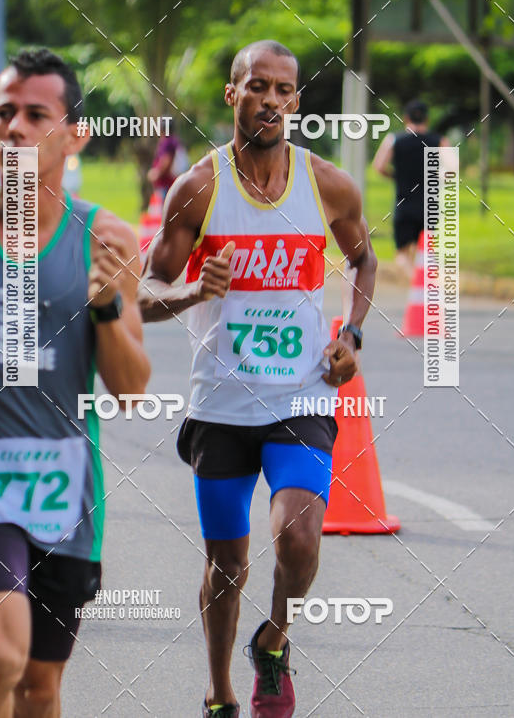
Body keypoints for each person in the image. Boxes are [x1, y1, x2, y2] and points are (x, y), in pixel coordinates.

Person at [139, 40, 377, 718]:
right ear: (233, 94)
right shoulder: (198, 188)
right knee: (226, 565)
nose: (270, 99)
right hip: (220, 404)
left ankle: (272, 642)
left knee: (298, 538)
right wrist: (191, 292)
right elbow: (146, 290)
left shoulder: (327, 184)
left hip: (301, 394)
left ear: (296, 100)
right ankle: (219, 691)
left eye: (283, 89)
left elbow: (364, 260)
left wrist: (351, 334)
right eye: (257, 86)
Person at [0, 48, 151, 717]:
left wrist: (107, 308)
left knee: (39, 687)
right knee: (2, 654)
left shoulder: (107, 239)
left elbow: (131, 389)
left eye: (37, 114)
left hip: (65, 486)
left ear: (75, 135)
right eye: (5, 113)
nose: (17, 127)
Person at [373, 99, 449, 281]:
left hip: (404, 205)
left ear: (406, 118)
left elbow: (379, 166)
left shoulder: (394, 140)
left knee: (401, 255)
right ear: (427, 119)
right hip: (429, 206)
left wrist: (395, 176)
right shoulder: (439, 141)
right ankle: (425, 283)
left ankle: (416, 282)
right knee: (426, 252)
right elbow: (452, 169)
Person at [147, 121, 188, 201]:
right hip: (173, 183)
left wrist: (156, 173)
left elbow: (166, 160)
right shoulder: (174, 141)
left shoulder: (167, 142)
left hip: (166, 184)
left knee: (165, 205)